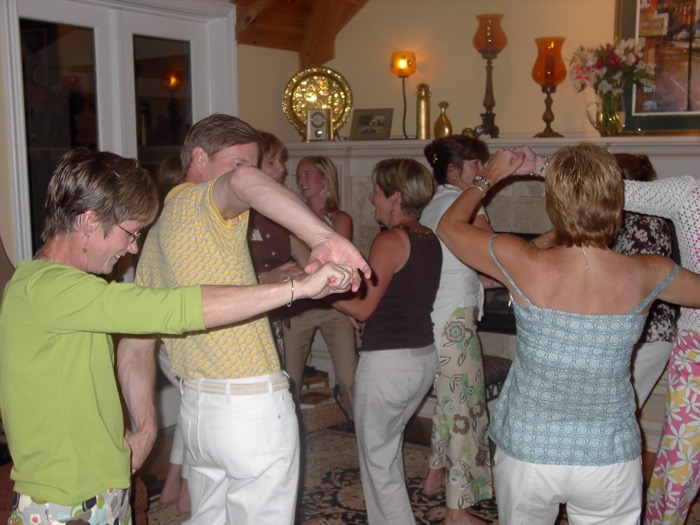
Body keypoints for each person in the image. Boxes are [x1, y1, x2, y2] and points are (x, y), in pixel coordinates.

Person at [0, 147, 356, 525]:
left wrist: (143, 429)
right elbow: (178, 308)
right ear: (89, 221)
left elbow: (82, 382)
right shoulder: (50, 291)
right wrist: (296, 288)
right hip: (67, 503)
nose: (132, 247)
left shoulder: (48, 285)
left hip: (95, 490)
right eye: (130, 233)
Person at [117, 113, 371, 525]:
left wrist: (145, 427)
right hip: (249, 411)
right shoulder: (201, 199)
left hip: (197, 415)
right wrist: (323, 237)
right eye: (238, 163)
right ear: (199, 158)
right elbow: (241, 185)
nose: (249, 176)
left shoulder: (156, 232)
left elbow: (134, 345)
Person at [437, 142, 700, 524]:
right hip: (608, 456)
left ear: (555, 203)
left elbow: (449, 226)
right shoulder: (650, 271)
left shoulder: (522, 261)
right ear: (617, 201)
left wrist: (487, 177)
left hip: (529, 450)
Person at [332, 158, 442, 524]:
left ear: (395, 197)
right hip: (421, 359)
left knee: (378, 465)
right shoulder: (430, 239)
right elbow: (395, 301)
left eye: (376, 192)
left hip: (388, 367)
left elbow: (363, 308)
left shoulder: (390, 239)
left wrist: (317, 293)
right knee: (386, 452)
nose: (370, 198)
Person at [420, 135, 494, 525]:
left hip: (437, 318)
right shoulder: (459, 206)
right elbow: (493, 251)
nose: (483, 173)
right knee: (466, 410)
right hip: (454, 322)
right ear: (454, 170)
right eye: (475, 165)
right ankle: (458, 510)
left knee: (450, 403)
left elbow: (473, 267)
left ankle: (435, 474)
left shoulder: (434, 206)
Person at [622, 173, 700, 525]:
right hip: (696, 346)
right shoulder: (688, 194)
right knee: (680, 466)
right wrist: (543, 165)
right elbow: (604, 188)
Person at [284, 156, 357, 415]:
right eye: (299, 176)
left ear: (325, 180)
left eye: (308, 175)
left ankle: (359, 430)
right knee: (289, 379)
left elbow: (337, 264)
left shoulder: (340, 218)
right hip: (299, 307)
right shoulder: (291, 215)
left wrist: (350, 311)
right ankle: (288, 432)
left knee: (349, 378)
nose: (301, 181)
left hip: (333, 307)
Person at [612, 153, 677, 409]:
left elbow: (629, 284)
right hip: (638, 333)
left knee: (619, 412)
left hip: (648, 335)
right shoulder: (625, 219)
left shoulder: (646, 224)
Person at [248, 132, 308, 358]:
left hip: (278, 319)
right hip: (246, 324)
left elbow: (309, 263)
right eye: (272, 162)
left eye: (281, 161)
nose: (281, 169)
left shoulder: (277, 212)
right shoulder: (237, 214)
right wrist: (266, 277)